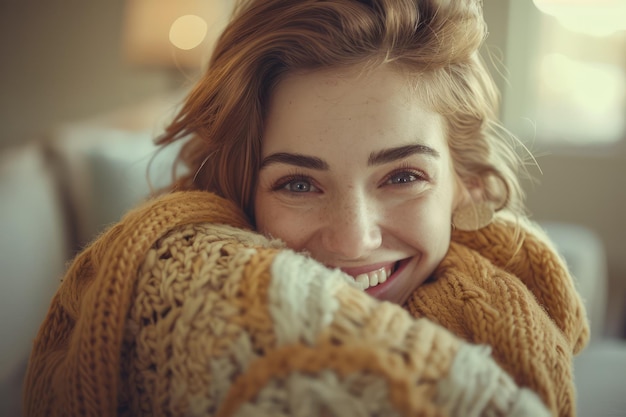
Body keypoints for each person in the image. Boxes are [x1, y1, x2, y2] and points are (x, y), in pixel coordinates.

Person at [23, 1, 589, 416]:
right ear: (239, 190)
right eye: (298, 183)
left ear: (464, 183)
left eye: (402, 176)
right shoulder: (193, 290)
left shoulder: (519, 294)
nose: (353, 239)